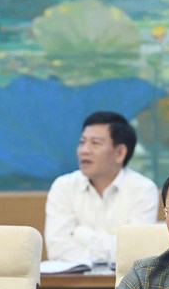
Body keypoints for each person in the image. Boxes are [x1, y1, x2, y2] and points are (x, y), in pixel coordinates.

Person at [44, 111, 159, 264]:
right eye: (82, 142)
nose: (84, 150)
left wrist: (81, 234)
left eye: (95, 143)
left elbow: (134, 252)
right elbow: (56, 249)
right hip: (73, 278)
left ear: (120, 153)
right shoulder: (63, 186)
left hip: (126, 278)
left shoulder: (143, 190)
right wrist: (112, 248)